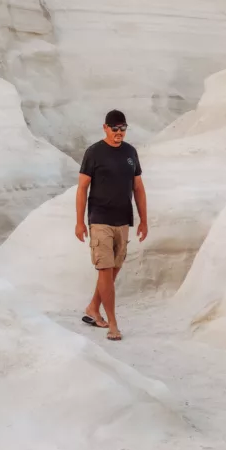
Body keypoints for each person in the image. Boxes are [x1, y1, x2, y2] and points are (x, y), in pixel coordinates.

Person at [75, 109, 148, 341]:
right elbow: (82, 188)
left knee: (112, 272)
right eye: (114, 128)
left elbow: (138, 188)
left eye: (123, 128)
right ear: (105, 128)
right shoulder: (94, 152)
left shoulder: (130, 153)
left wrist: (143, 220)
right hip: (99, 219)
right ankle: (113, 324)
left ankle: (92, 308)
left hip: (122, 220)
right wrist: (79, 222)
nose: (119, 133)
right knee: (105, 270)